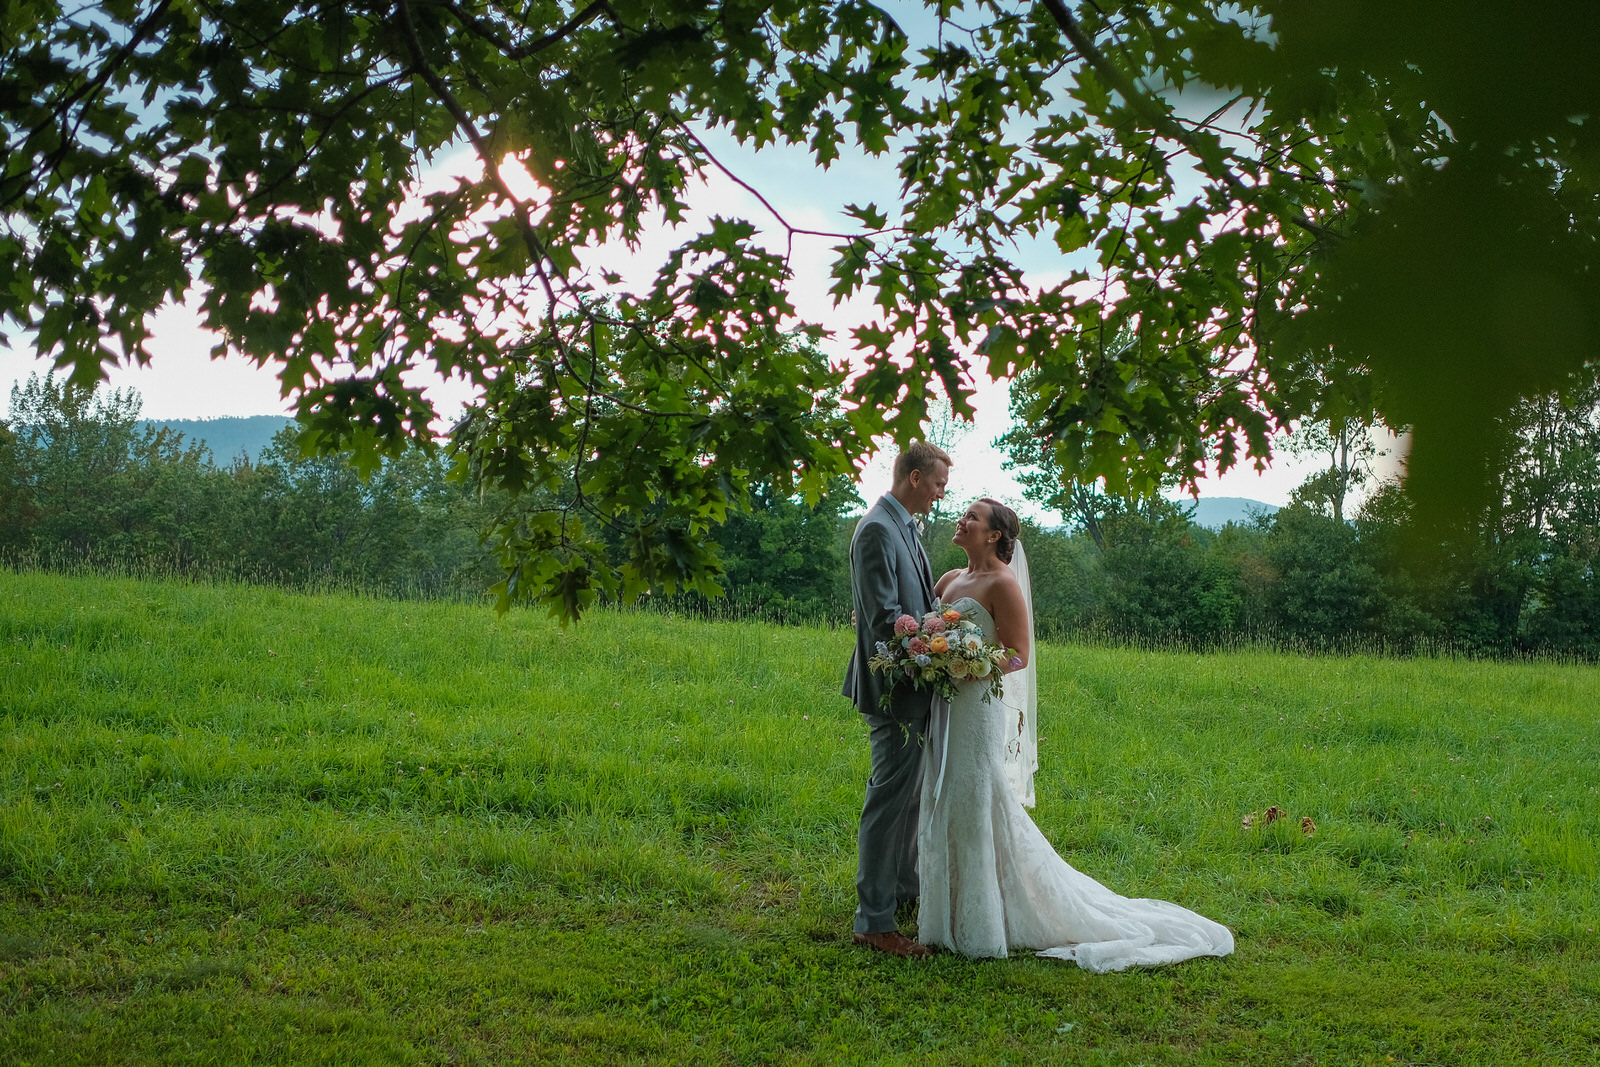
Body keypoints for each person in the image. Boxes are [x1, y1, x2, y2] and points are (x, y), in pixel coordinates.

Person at [918, 498, 1235, 971]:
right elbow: (929, 632)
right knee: (944, 795)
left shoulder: (1003, 584)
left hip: (976, 706)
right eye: (963, 513)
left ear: (994, 536)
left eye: (973, 518)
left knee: (975, 796)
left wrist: (971, 666)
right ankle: (947, 908)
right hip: (943, 707)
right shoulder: (947, 580)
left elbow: (1019, 653)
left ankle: (985, 916)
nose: (961, 520)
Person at [842, 441, 951, 958]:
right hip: (892, 687)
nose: (939, 495)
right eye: (936, 485)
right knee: (888, 800)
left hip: (914, 684)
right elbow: (885, 618)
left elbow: (920, 601)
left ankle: (903, 892)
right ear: (913, 478)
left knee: (908, 795)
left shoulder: (904, 525)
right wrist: (939, 649)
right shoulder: (877, 531)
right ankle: (874, 921)